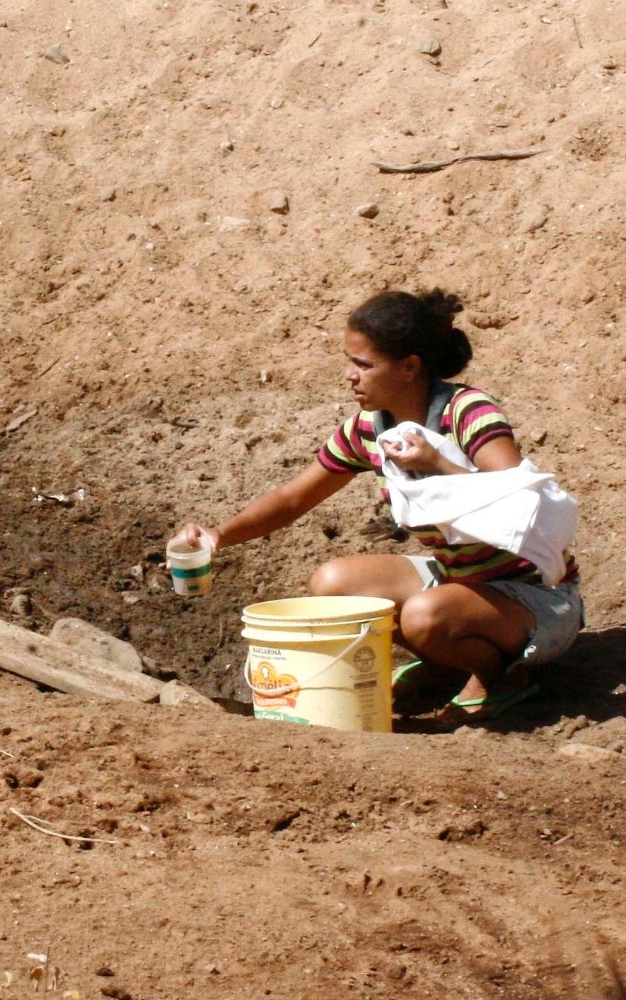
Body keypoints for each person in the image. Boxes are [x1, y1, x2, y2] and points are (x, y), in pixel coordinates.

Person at [171, 288, 582, 723]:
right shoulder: (369, 429)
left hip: (539, 601)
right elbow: (293, 498)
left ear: (409, 367)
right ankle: (446, 660)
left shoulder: (467, 412)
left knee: (424, 616)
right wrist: (220, 536)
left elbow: (520, 500)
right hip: (459, 581)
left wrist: (438, 463)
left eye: (364, 365)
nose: (351, 376)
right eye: (350, 362)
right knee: (333, 584)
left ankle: (499, 678)